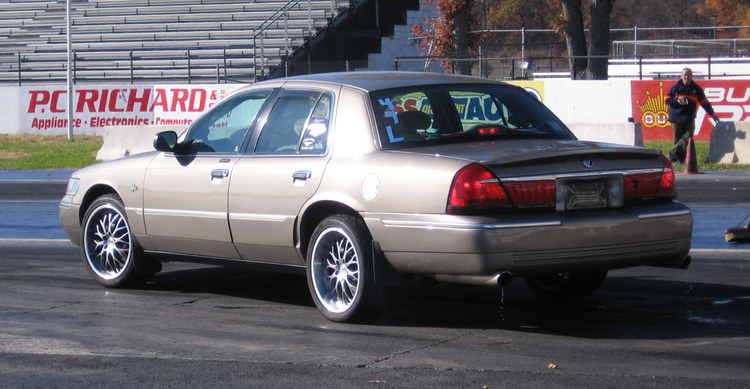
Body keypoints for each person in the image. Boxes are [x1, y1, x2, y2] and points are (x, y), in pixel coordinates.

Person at [665, 67, 720, 163]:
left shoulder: (696, 89)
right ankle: (678, 160)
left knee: (688, 138)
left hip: (689, 118)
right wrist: (677, 100)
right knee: (678, 140)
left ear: (691, 76)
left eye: (688, 75)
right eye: (685, 75)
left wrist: (712, 114)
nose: (686, 77)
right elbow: (666, 100)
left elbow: (704, 102)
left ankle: (672, 154)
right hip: (676, 118)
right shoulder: (675, 88)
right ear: (681, 76)